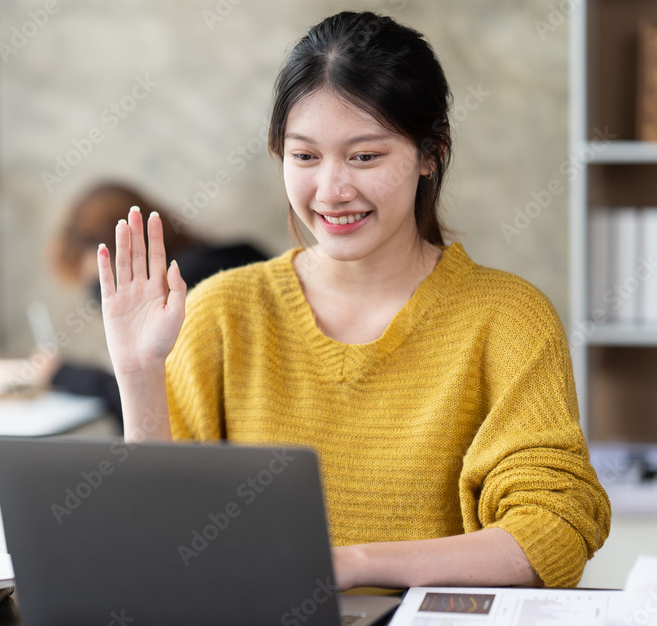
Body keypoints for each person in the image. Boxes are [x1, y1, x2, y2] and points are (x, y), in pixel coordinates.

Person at [95, 11, 610, 590]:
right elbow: (159, 540)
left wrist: (350, 563)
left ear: (431, 153)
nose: (331, 191)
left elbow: (554, 527)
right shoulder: (219, 313)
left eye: (365, 156)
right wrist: (138, 375)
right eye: (305, 157)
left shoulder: (507, 319)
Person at [45, 182, 267, 429]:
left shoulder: (184, 293)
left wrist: (63, 374)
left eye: (99, 285)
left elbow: (165, 410)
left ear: (127, 250)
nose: (102, 300)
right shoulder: (231, 256)